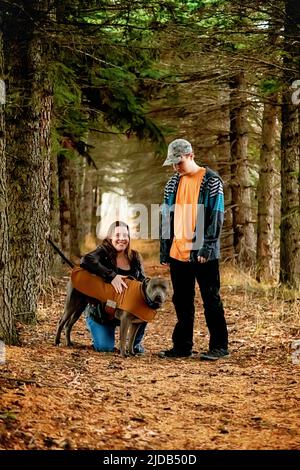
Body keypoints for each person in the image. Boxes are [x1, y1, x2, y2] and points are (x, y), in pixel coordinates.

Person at [159, 138, 229, 360]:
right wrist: (164, 248)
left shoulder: (211, 181)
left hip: (202, 253)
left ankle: (219, 347)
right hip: (178, 251)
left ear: (190, 155)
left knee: (211, 300)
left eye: (178, 162)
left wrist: (207, 247)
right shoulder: (172, 183)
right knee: (181, 300)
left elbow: (216, 216)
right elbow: (165, 217)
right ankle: (182, 346)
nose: (175, 167)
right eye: (172, 163)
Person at [80, 220, 146, 353]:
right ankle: (94, 326)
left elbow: (143, 282)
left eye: (125, 235)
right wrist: (112, 276)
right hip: (102, 312)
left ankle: (135, 344)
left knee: (145, 306)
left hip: (126, 310)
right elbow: (86, 260)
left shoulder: (134, 256)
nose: (122, 239)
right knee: (105, 348)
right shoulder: (102, 253)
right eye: (117, 235)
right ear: (110, 237)